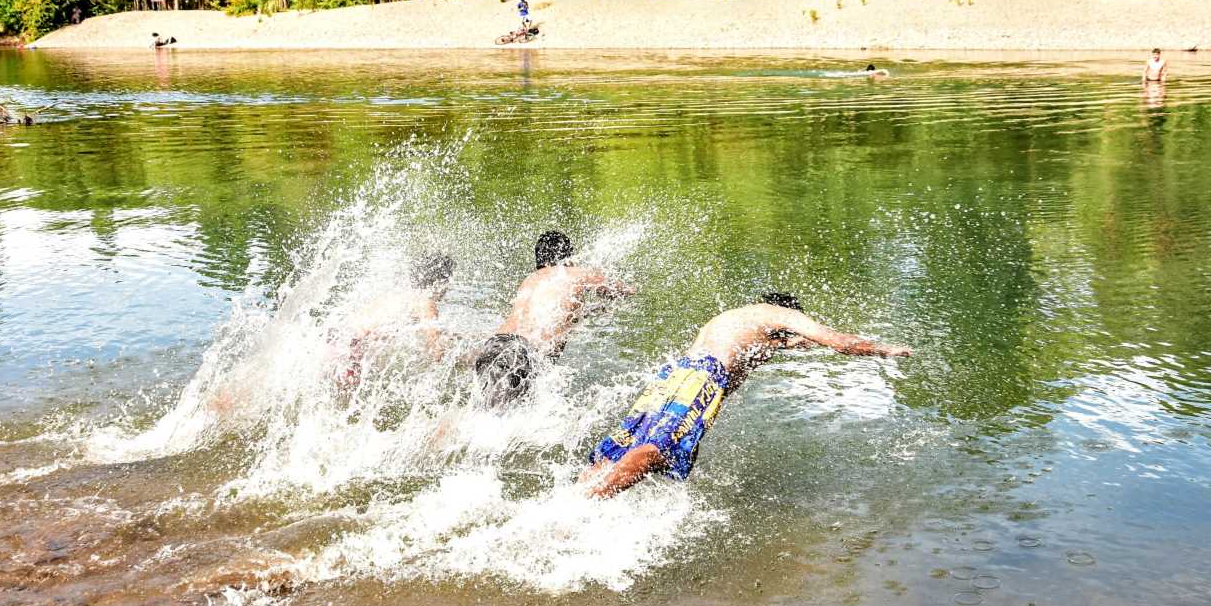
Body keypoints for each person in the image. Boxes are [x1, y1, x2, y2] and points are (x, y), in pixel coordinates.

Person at [579, 293, 912, 496]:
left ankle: (571, 498)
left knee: (626, 445)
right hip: (705, 380)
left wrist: (792, 344)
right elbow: (838, 342)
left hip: (674, 377)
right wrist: (884, 350)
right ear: (788, 315)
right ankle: (579, 510)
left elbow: (783, 344)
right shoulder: (783, 315)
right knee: (656, 452)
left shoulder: (739, 318)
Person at [473, 231, 631, 408]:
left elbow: (550, 319)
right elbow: (622, 290)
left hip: (495, 346)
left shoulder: (531, 279)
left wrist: (590, 310)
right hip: (520, 354)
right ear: (568, 256)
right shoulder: (573, 273)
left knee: (482, 412)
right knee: (499, 418)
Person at [341, 252, 457, 382]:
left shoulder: (398, 296)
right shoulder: (426, 302)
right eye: (448, 281)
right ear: (441, 282)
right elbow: (436, 350)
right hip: (355, 349)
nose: (448, 288)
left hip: (340, 339)